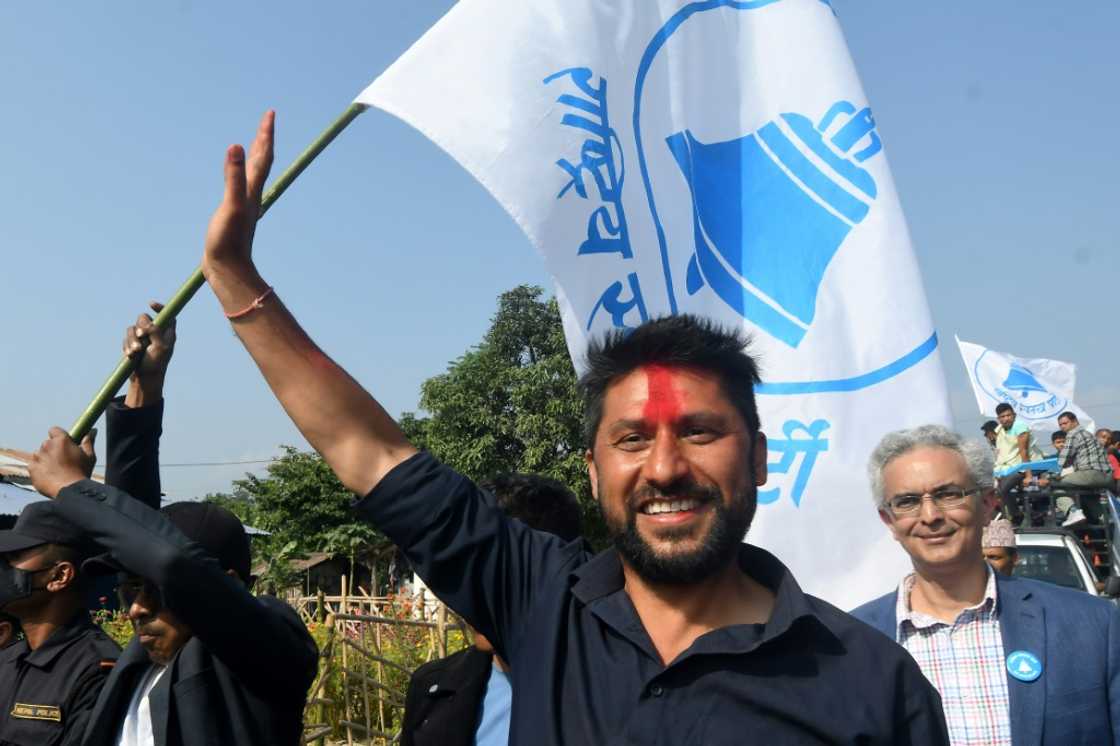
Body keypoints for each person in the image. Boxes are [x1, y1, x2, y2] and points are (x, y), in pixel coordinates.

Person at [193, 111, 950, 744]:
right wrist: (235, 281)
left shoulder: (870, 682)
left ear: (757, 456)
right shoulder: (541, 600)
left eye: (698, 433)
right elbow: (370, 449)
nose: (663, 468)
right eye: (631, 439)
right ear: (592, 469)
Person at [27, 303, 319, 746]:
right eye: (132, 590)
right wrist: (144, 385)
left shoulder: (266, 652)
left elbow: (173, 563)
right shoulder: (143, 667)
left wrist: (70, 488)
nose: (135, 609)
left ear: (229, 586)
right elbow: (136, 529)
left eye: (155, 594)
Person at [851, 425, 1120, 745]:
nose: (930, 515)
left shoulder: (1092, 625)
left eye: (948, 494)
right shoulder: (851, 644)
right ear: (889, 521)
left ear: (989, 503)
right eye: (908, 501)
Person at [401, 473, 583, 746]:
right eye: (467, 572)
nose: (477, 592)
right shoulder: (431, 688)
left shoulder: (611, 691)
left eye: (500, 574)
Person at [0, 501, 120, 746]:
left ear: (59, 576)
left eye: (13, 558)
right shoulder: (6, 660)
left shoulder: (96, 670)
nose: (3, 569)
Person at [1040, 411, 1112, 526]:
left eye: (1065, 423)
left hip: (1091, 474)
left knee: (1052, 485)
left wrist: (1047, 477)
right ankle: (1105, 517)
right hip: (1106, 477)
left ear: (1075, 422)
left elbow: (1062, 461)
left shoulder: (1073, 434)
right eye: (1060, 425)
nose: (1063, 427)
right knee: (1084, 492)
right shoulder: (1088, 434)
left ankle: (1073, 512)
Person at [991, 404, 1042, 525]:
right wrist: (998, 472)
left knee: (1003, 489)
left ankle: (1017, 516)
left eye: (1009, 415)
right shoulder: (999, 431)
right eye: (1002, 416)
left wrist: (1028, 475)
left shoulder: (1020, 427)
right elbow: (1002, 453)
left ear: (1014, 415)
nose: (1006, 418)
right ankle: (1022, 514)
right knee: (995, 489)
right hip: (1010, 467)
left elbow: (1023, 452)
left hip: (1028, 465)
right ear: (998, 418)